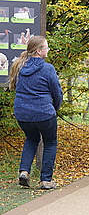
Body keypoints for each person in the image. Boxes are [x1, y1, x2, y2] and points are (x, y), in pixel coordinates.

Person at [8, 36, 63, 190]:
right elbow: (57, 93)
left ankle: (24, 172)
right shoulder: (48, 68)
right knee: (50, 143)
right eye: (46, 48)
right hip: (44, 114)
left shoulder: (19, 66)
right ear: (39, 51)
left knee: (31, 139)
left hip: (23, 115)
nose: (48, 50)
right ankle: (45, 180)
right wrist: (55, 108)